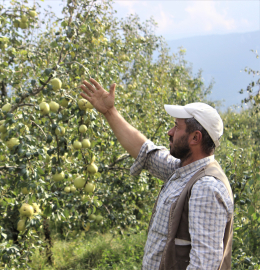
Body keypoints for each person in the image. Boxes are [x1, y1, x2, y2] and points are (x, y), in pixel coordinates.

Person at [80, 78, 234, 270]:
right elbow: (145, 151)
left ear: (195, 137)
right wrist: (110, 112)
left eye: (177, 127)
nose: (170, 132)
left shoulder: (205, 188)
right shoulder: (182, 170)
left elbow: (205, 265)